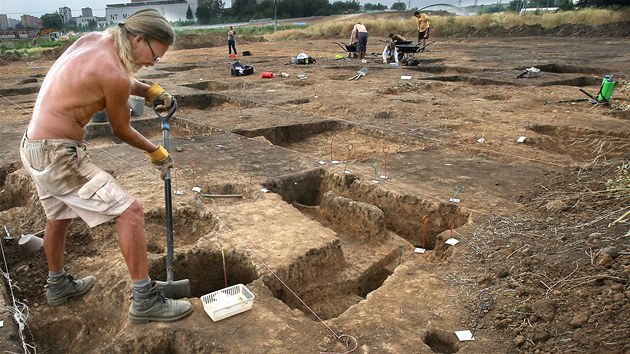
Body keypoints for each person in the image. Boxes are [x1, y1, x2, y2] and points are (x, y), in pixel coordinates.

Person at [19, 9, 193, 324]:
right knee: (130, 211)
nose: (152, 63)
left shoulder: (93, 41)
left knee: (58, 215)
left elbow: (116, 79)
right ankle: (144, 300)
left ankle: (57, 286)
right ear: (138, 39)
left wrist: (149, 89)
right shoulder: (112, 73)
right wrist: (156, 151)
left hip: (33, 145)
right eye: (154, 55)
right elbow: (121, 129)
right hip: (57, 154)